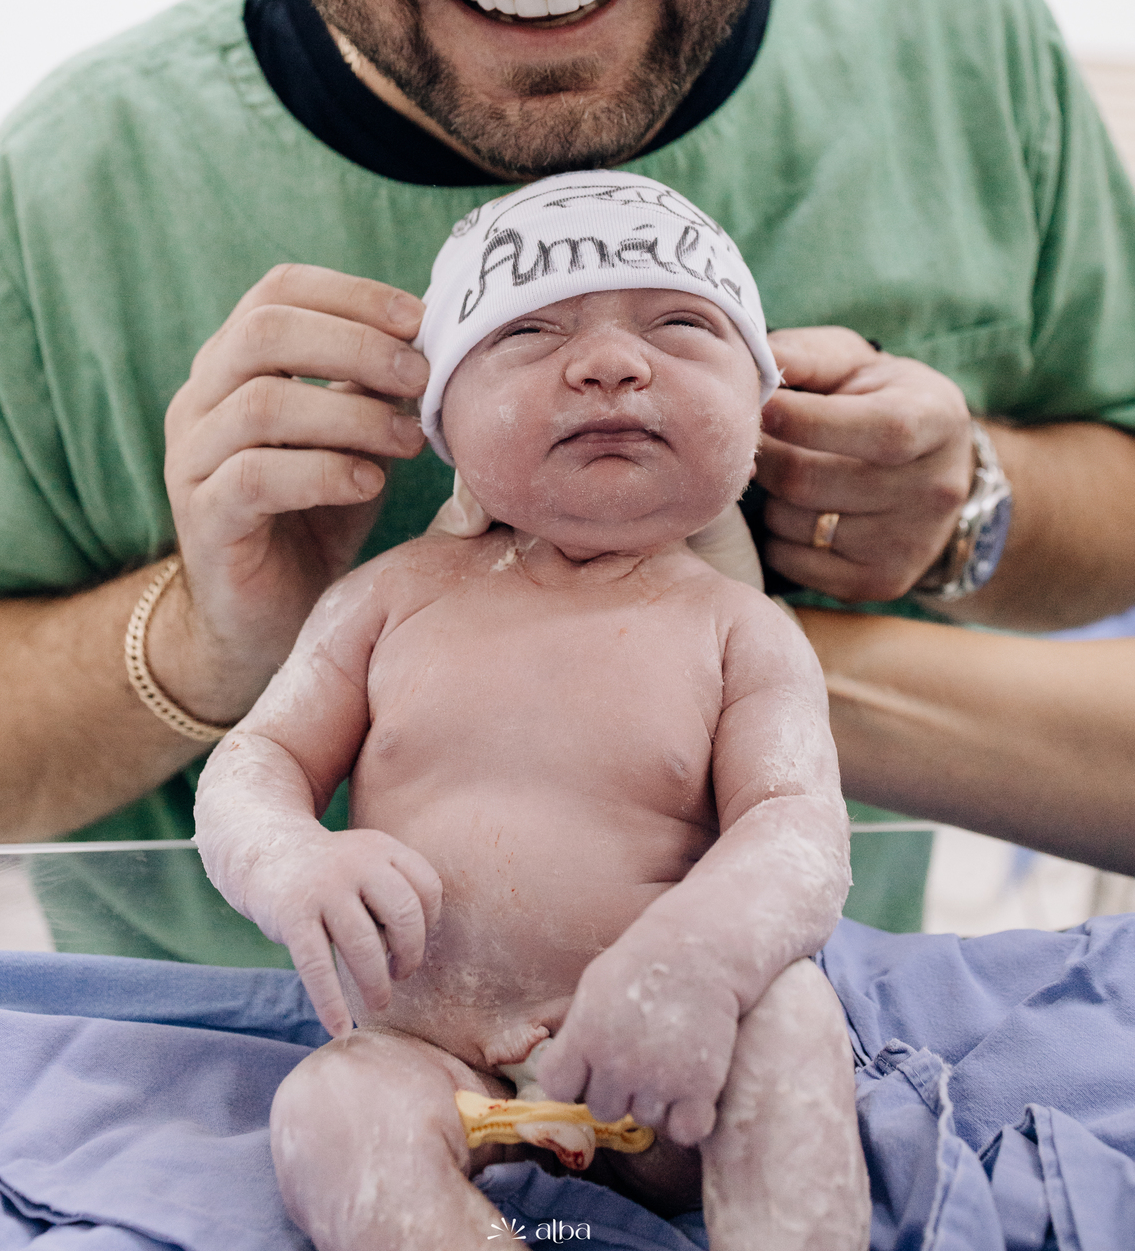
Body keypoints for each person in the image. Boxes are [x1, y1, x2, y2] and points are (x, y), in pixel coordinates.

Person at [0, 0, 1135, 958]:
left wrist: (970, 509)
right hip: (238, 1101)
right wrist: (200, 635)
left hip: (792, 1038)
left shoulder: (954, 45)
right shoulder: (84, 192)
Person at [196, 173, 869, 1251]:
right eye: (530, 330)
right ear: (442, 419)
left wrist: (697, 958)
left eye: (682, 324)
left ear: (758, 410)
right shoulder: (385, 598)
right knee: (329, 1114)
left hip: (679, 1061)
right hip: (433, 1060)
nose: (609, 360)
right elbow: (255, 760)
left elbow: (797, 830)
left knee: (792, 1023)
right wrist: (290, 860)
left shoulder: (742, 632)